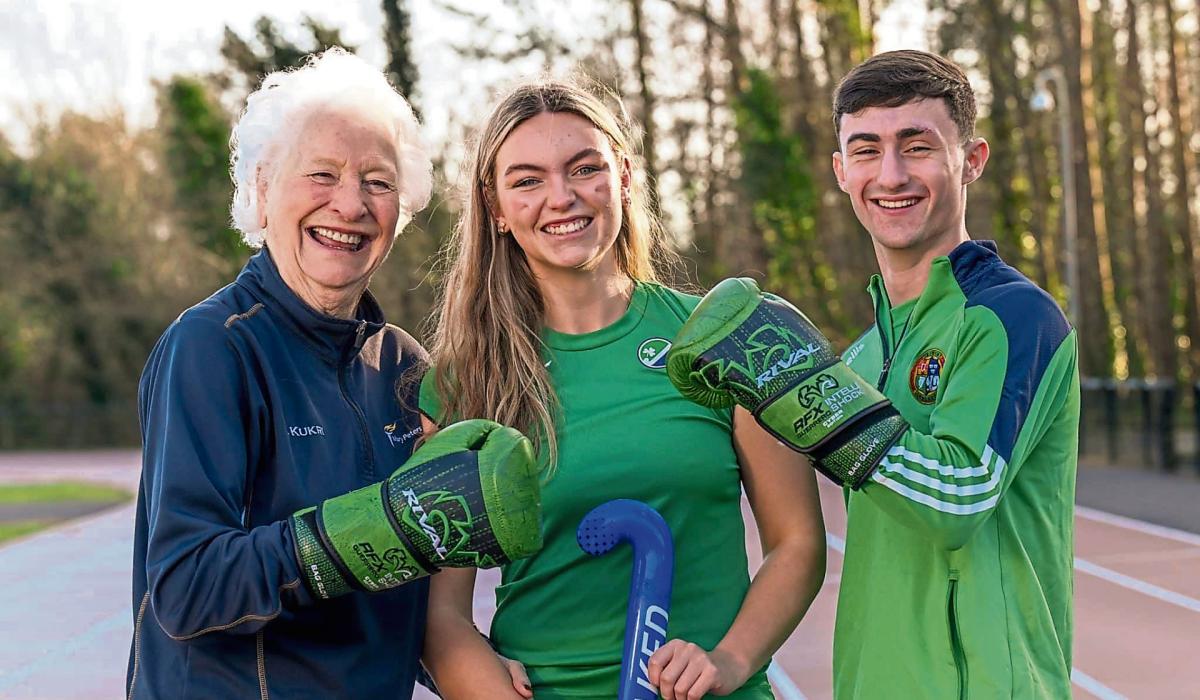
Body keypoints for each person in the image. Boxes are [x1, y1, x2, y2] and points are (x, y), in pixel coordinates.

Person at [127, 49, 542, 699]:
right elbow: (186, 586)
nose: (349, 203)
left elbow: (400, 600)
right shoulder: (211, 347)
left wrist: (467, 664)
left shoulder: (404, 369)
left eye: (376, 181)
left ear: (398, 210)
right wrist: (372, 530)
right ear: (263, 190)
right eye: (321, 173)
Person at [665, 50, 1079, 699]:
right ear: (840, 170)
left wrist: (809, 394)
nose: (890, 174)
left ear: (970, 159)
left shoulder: (1012, 317)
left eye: (917, 147)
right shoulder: (862, 354)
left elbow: (958, 497)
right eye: (866, 150)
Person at [417, 78, 827, 700]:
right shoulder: (462, 384)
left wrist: (729, 661)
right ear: (495, 207)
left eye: (584, 168)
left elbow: (797, 543)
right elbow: (440, 615)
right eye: (527, 180)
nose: (561, 197)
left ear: (625, 176)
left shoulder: (726, 337)